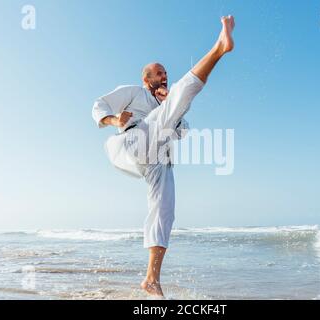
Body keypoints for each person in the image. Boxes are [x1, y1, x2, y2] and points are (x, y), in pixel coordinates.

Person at [92, 15, 235, 298]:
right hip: (130, 142)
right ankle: (219, 48)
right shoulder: (133, 92)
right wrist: (113, 120)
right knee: (181, 96)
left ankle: (151, 280)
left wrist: (170, 104)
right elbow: (99, 104)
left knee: (164, 213)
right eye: (159, 73)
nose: (163, 75)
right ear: (146, 79)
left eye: (165, 72)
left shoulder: (166, 104)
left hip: (157, 159)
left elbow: (181, 132)